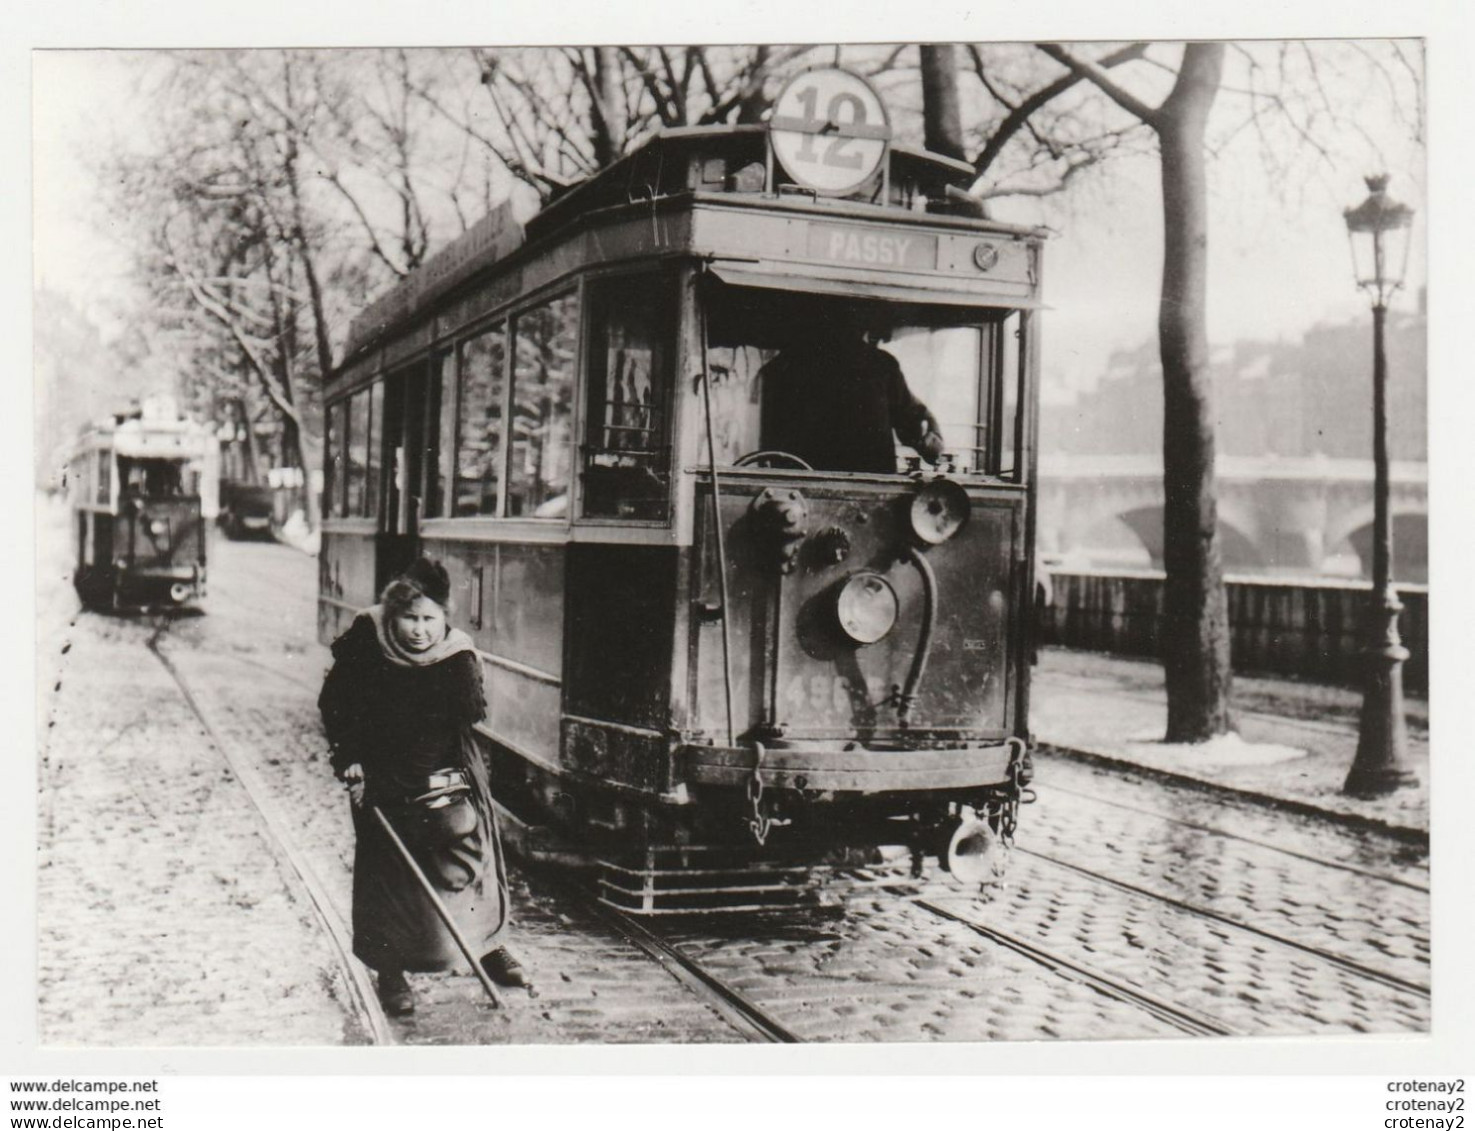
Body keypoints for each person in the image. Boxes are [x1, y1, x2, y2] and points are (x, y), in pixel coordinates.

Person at [318, 557, 528, 1017]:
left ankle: (488, 945)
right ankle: (390, 970)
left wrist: (443, 779)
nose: (418, 631)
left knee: (470, 857)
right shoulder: (366, 642)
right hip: (381, 771)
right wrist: (350, 758)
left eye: (429, 619)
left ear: (444, 617)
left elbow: (461, 722)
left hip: (445, 767)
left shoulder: (457, 656)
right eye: (408, 619)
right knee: (388, 876)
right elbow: (337, 703)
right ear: (390, 616)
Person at [758, 306, 945, 474]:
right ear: (863, 326)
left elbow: (768, 439)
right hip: (869, 487)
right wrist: (930, 434)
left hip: (802, 486)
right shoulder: (881, 365)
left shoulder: (783, 365)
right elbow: (913, 427)